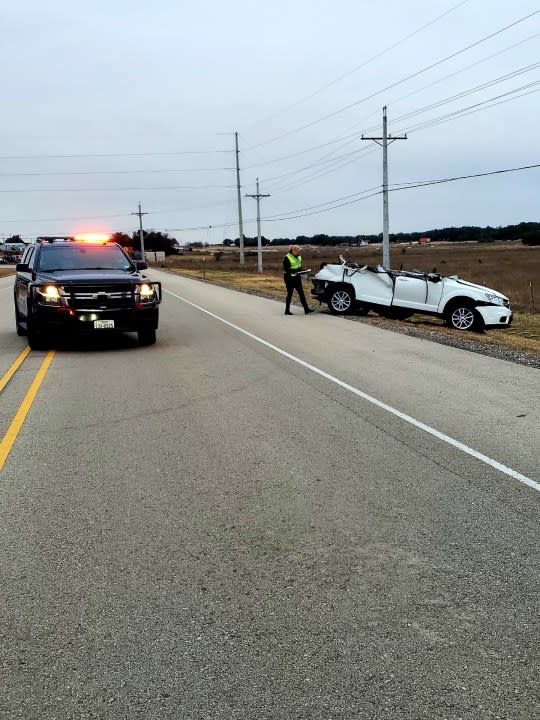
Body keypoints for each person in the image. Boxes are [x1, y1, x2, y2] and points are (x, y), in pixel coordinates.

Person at [283, 245, 313, 315]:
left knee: (302, 294)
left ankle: (306, 309)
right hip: (289, 278)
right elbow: (286, 269)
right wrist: (296, 271)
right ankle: (287, 311)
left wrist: (304, 271)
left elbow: (299, 267)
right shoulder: (287, 257)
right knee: (289, 294)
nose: (298, 252)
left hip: (297, 278)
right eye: (297, 251)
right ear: (293, 251)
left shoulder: (299, 257)